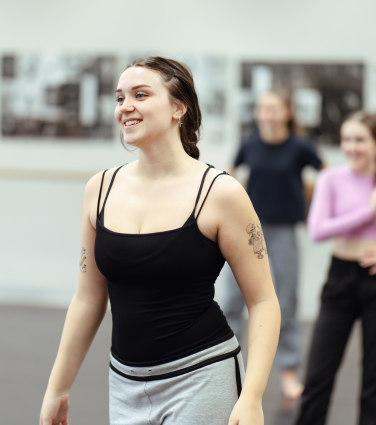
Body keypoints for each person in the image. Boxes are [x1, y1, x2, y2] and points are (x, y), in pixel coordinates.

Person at [39, 57, 281, 425]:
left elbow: (263, 301)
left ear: (178, 107)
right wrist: (57, 388)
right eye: (120, 98)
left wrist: (253, 397)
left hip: (201, 378)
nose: (126, 107)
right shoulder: (99, 190)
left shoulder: (220, 194)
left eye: (140, 94)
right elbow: (88, 299)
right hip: (124, 384)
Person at [295, 112, 376, 425]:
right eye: (347, 139)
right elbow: (317, 231)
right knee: (318, 376)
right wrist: (367, 210)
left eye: (360, 140)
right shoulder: (330, 178)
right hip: (339, 280)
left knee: (375, 381)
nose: (351, 147)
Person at [221, 89, 323, 400]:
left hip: (283, 232)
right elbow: (230, 174)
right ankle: (227, 371)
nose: (267, 115)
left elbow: (328, 177)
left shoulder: (300, 147)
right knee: (231, 302)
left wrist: (313, 204)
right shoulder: (249, 143)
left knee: (286, 302)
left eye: (274, 109)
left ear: (287, 113)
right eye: (263, 108)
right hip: (246, 231)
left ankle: (289, 373)